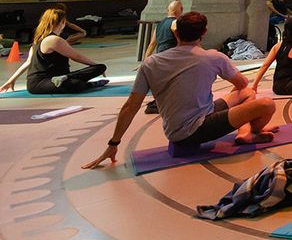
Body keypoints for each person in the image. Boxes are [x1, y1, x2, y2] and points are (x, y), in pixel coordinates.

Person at [82, 12, 277, 168]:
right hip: (194, 130)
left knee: (247, 94)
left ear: (175, 33)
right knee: (266, 104)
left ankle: (245, 132)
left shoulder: (151, 63)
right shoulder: (213, 58)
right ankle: (250, 130)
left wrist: (113, 143)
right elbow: (242, 82)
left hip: (177, 127)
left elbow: (131, 106)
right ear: (204, 32)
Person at [0, 7, 107, 94]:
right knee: (95, 71)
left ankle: (66, 78)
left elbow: (28, 63)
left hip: (34, 84)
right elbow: (77, 57)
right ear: (62, 22)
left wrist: (11, 80)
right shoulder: (55, 40)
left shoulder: (38, 40)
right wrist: (96, 66)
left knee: (76, 83)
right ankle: (77, 81)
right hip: (44, 82)